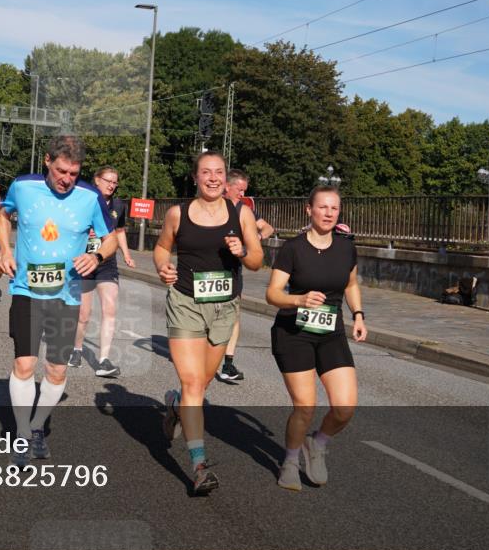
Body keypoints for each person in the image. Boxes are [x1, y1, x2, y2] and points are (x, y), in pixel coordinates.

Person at [0, 134, 117, 468]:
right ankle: (21, 434)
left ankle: (37, 428)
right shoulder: (23, 187)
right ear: (48, 161)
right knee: (25, 364)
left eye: (73, 174)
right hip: (27, 290)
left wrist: (96, 258)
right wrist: (5, 250)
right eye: (61, 171)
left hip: (67, 295)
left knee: (57, 369)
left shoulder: (90, 197)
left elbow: (111, 240)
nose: (66, 179)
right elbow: (2, 216)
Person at [153, 151, 263, 495]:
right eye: (206, 172)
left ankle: (174, 406)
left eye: (218, 172)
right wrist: (162, 266)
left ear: (226, 177)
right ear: (195, 177)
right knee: (192, 382)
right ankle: (199, 466)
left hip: (224, 308)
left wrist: (242, 252)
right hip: (185, 302)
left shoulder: (240, 213)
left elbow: (259, 260)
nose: (213, 178)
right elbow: (161, 247)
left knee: (200, 385)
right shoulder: (178, 213)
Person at [266, 185, 366, 491]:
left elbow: (350, 284)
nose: (328, 213)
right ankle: (291, 461)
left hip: (330, 332)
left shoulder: (346, 248)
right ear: (309, 210)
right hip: (293, 332)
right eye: (322, 207)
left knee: (345, 407)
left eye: (334, 208)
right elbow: (272, 294)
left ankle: (317, 442)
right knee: (305, 406)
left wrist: (358, 315)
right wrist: (299, 299)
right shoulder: (292, 248)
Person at [68, 167, 136, 377]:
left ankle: (104, 360)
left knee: (110, 309)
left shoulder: (118, 205)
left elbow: (120, 232)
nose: (111, 185)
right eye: (108, 181)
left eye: (115, 182)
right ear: (96, 180)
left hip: (106, 262)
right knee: (84, 314)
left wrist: (126, 254)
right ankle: (77, 350)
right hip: (84, 262)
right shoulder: (83, 200)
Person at [217, 168, 275, 382]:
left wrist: (255, 237)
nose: (242, 194)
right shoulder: (212, 207)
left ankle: (228, 363)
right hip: (208, 269)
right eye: (239, 190)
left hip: (233, 269)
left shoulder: (245, 211)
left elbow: (268, 228)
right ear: (226, 186)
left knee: (234, 314)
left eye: (244, 190)